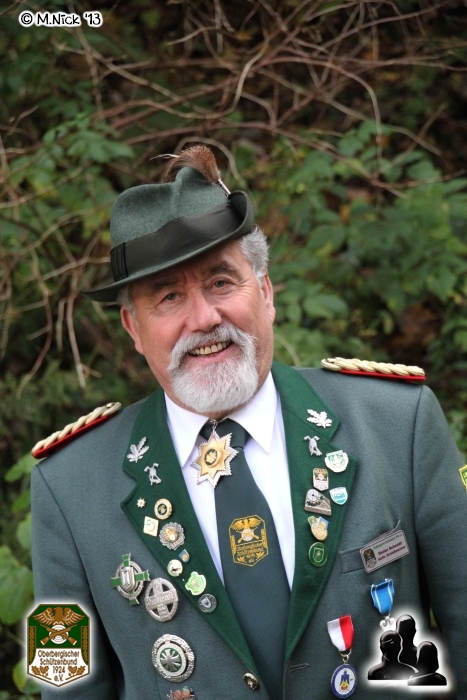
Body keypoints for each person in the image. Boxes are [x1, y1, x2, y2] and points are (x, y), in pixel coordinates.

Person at [31, 145, 467, 699]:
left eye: (221, 282)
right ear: (133, 329)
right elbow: (63, 685)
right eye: (169, 297)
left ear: (264, 291)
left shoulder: (397, 424)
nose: (204, 318)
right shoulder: (67, 485)